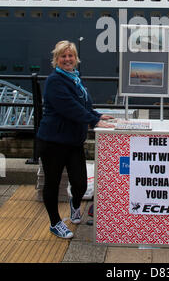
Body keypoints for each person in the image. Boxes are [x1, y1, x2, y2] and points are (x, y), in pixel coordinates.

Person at [37, 40, 115, 239]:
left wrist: (96, 114)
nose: (67, 59)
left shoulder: (75, 79)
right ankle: (55, 223)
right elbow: (69, 108)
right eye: (63, 56)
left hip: (73, 141)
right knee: (53, 184)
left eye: (70, 55)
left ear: (75, 58)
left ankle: (74, 204)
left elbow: (83, 104)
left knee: (79, 183)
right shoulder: (55, 80)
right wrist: (93, 120)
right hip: (53, 141)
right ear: (57, 59)